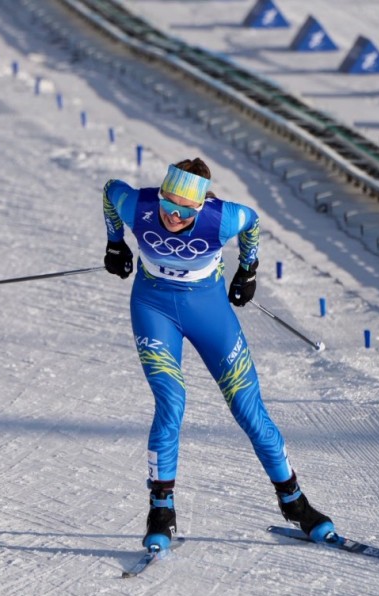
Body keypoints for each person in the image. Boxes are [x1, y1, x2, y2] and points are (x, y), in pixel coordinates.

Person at [101, 158, 334, 550]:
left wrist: (249, 269)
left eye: (184, 209)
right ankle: (161, 511)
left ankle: (294, 502)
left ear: (200, 205)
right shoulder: (138, 206)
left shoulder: (222, 219)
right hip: (153, 309)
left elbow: (253, 221)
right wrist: (114, 241)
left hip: (208, 310)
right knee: (172, 402)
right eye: (167, 204)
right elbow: (110, 190)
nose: (172, 215)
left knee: (248, 406)